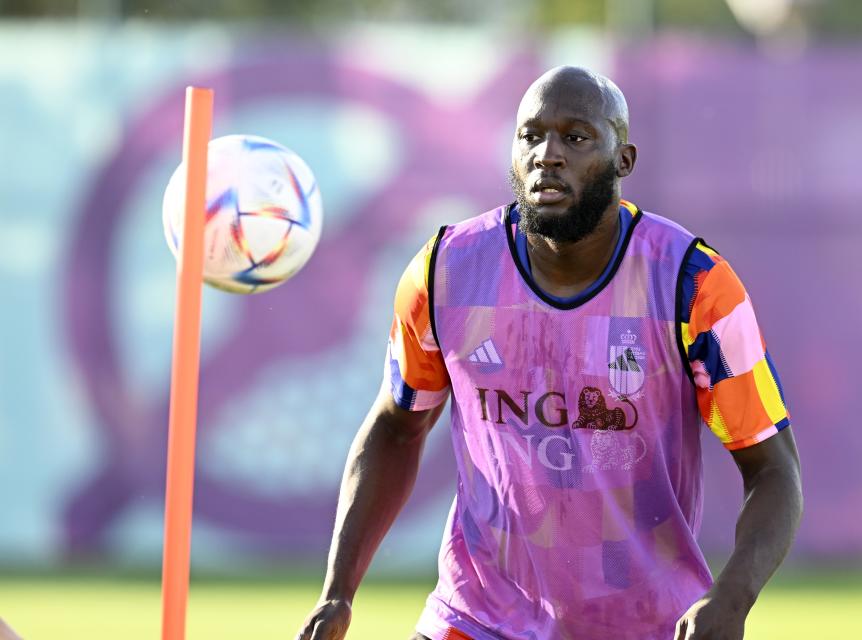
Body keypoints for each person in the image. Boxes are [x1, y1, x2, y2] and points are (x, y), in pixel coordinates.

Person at [295, 66, 802, 640]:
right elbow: (396, 427)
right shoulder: (445, 273)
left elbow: (774, 469)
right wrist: (337, 591)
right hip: (477, 618)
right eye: (531, 135)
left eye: (576, 137)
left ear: (624, 160)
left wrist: (731, 596)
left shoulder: (695, 285)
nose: (548, 154)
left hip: (648, 625)